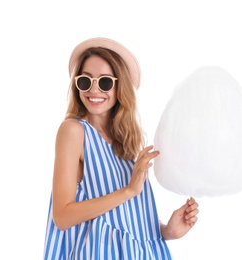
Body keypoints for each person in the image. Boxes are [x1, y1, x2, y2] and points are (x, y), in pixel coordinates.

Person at [43, 37, 199, 260]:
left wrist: (167, 231)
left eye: (105, 82)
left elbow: (123, 218)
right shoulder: (74, 131)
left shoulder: (126, 144)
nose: (94, 90)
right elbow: (62, 216)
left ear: (120, 87)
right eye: (85, 81)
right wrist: (129, 190)